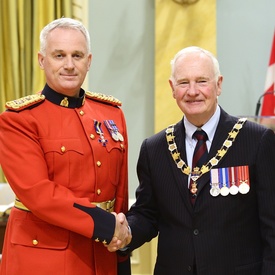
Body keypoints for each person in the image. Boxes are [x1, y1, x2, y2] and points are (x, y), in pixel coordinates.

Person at [113, 46, 275, 274]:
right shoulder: (155, 149)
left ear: (218, 84)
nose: (192, 91)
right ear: (172, 88)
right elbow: (147, 215)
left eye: (201, 81)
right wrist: (124, 231)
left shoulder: (256, 141)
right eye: (183, 83)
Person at [0, 17, 131, 275]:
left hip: (103, 254)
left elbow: (120, 193)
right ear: (41, 60)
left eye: (77, 55)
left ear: (89, 61)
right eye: (59, 55)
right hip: (43, 258)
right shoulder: (18, 120)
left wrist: (121, 244)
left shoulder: (111, 114)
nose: (69, 65)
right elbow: (39, 194)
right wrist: (107, 226)